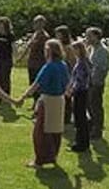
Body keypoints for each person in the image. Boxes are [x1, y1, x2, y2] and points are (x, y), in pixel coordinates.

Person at [18, 39, 70, 168]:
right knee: (55, 130)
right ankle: (53, 156)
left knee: (40, 131)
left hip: (48, 100)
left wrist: (23, 97)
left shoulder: (49, 66)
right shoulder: (63, 65)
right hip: (60, 100)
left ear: (49, 51)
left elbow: (36, 84)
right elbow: (67, 84)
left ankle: (40, 160)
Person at [17, 15, 51, 106]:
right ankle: (35, 103)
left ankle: (39, 104)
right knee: (31, 82)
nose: (36, 25)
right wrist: (21, 57)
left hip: (39, 63)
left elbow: (45, 51)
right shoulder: (34, 34)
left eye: (39, 23)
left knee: (38, 84)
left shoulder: (44, 36)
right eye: (35, 22)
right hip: (32, 62)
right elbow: (28, 47)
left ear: (43, 24)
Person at [66, 41, 92, 152]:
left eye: (74, 49)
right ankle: (83, 142)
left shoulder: (81, 63)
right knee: (81, 118)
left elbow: (79, 80)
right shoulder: (83, 61)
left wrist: (71, 90)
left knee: (79, 118)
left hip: (80, 92)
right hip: (82, 91)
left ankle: (80, 144)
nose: (73, 51)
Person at [86, 27, 109, 140]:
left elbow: (103, 68)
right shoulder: (92, 48)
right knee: (90, 105)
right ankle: (93, 127)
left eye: (89, 36)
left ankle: (97, 131)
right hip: (90, 81)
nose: (87, 38)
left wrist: (96, 81)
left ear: (96, 36)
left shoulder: (102, 50)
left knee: (96, 106)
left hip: (96, 83)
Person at [54, 25, 76, 125]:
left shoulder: (68, 47)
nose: (57, 36)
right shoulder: (58, 46)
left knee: (67, 97)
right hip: (58, 74)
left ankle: (67, 117)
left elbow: (72, 62)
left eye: (59, 34)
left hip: (67, 74)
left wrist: (71, 76)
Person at [0, 16, 16, 96]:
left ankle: (6, 95)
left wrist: (16, 57)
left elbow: (14, 47)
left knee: (5, 78)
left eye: (1, 24)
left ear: (6, 25)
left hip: (7, 60)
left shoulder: (10, 35)